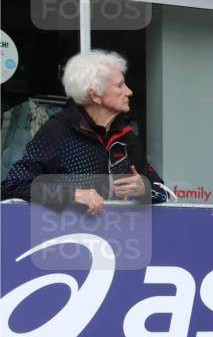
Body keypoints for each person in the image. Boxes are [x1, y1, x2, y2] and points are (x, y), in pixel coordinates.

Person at [1, 50, 165, 214]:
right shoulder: (58, 131)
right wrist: (72, 195)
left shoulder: (126, 135)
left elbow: (163, 192)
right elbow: (14, 185)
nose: (129, 92)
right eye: (120, 85)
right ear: (95, 95)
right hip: (66, 229)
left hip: (121, 229)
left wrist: (144, 188)